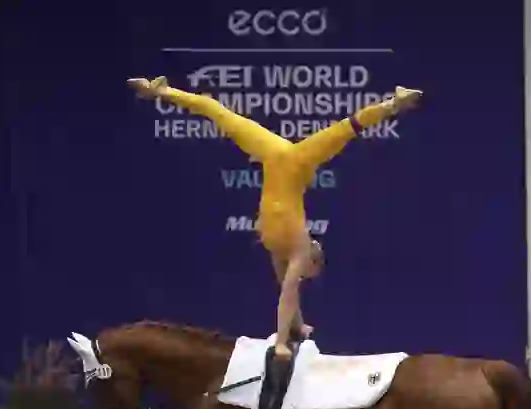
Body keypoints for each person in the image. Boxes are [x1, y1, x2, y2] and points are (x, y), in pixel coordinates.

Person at [128, 75, 422, 359]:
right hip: (287, 178)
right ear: (312, 258)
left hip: (275, 164)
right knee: (345, 128)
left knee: (221, 113)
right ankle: (393, 103)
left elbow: (288, 294)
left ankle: (161, 91)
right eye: (309, 269)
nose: (303, 271)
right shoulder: (297, 246)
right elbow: (289, 294)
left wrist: (298, 327)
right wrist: (281, 343)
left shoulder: (288, 248)